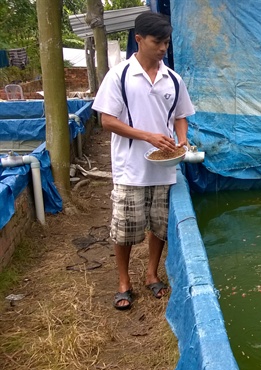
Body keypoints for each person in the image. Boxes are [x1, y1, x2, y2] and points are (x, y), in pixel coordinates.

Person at [92, 12, 195, 310]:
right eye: (157, 42)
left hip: (164, 168)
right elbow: (107, 121)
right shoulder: (120, 76)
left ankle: (151, 274)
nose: (163, 48)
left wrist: (182, 140)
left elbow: (180, 116)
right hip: (130, 168)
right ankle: (123, 281)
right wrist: (147, 136)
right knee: (124, 227)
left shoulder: (172, 80)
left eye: (166, 42)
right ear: (139, 39)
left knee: (160, 227)